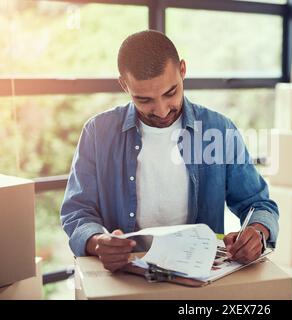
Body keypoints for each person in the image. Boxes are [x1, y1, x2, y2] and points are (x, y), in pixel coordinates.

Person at [60, 30, 279, 272]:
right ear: (124, 85)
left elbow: (258, 204)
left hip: (199, 277)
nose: (162, 111)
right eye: (144, 100)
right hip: (126, 274)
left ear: (183, 70)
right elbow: (77, 211)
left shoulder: (219, 129)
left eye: (170, 93)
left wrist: (257, 233)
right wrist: (97, 242)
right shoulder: (97, 133)